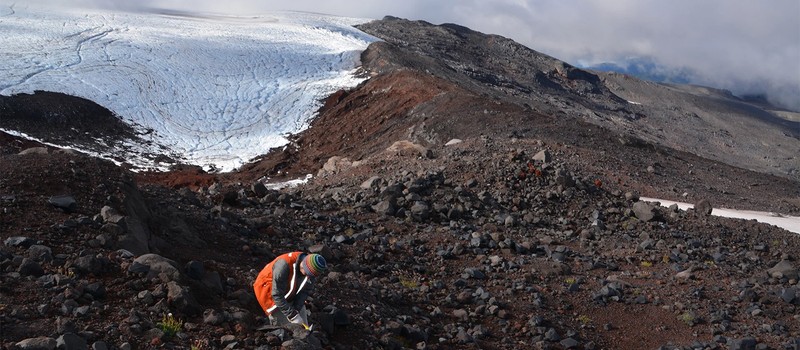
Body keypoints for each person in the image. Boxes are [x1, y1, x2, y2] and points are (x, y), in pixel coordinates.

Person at [253, 251, 327, 327]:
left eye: (310, 275)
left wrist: (296, 310)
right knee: (285, 327)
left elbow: (305, 291)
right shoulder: (284, 265)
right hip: (268, 290)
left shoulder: (312, 270)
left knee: (303, 326)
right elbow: (276, 294)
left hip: (287, 290)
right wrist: (292, 315)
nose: (307, 275)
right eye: (306, 272)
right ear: (303, 263)